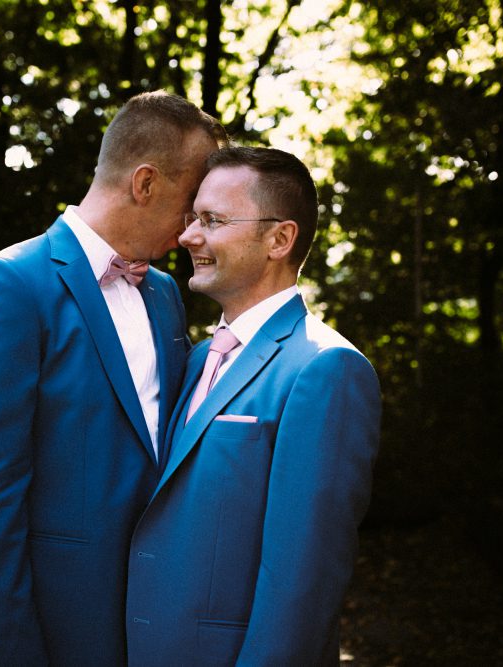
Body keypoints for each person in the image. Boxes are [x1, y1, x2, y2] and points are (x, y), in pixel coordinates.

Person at [0, 91, 227, 666]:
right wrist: (9, 652)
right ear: (145, 184)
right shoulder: (7, 286)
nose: (195, 228)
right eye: (192, 203)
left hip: (159, 619)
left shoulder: (165, 294)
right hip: (58, 623)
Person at [126, 146, 381, 666]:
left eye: (212, 220)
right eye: (193, 218)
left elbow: (303, 579)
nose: (188, 236)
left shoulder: (325, 368)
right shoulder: (198, 359)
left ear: (279, 238)